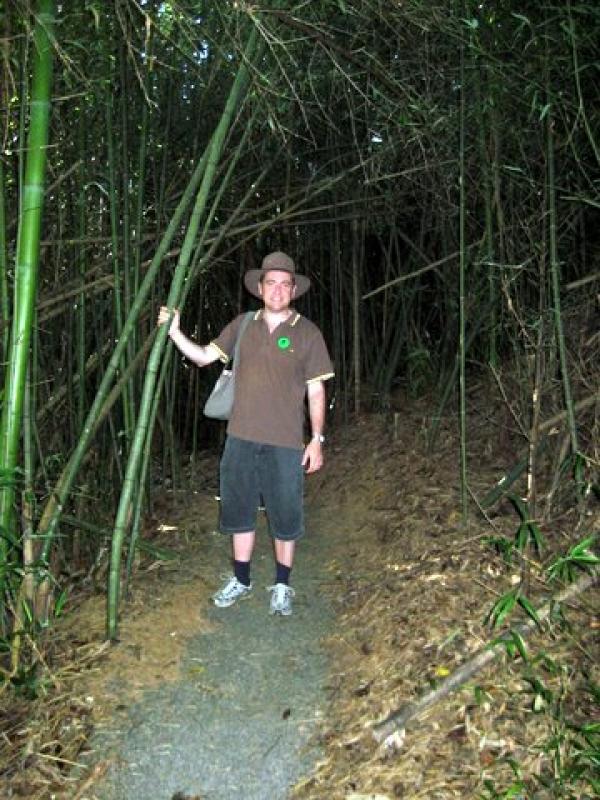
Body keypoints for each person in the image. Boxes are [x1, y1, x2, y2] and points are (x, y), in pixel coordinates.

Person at [157, 251, 334, 616]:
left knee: (285, 515)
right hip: (240, 437)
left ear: (293, 291)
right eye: (272, 283)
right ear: (260, 287)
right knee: (240, 511)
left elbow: (317, 390)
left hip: (286, 442)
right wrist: (174, 332)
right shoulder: (243, 325)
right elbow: (205, 356)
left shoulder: (308, 333)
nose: (278, 290)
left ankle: (283, 584)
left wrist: (316, 439)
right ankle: (241, 578)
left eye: (285, 284)